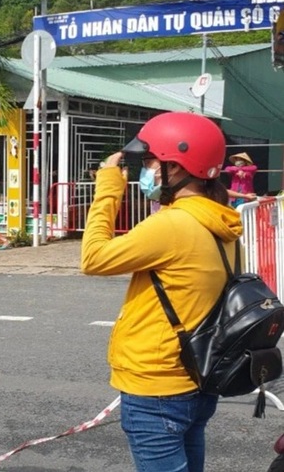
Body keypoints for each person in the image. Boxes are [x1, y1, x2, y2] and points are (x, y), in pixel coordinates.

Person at [81, 112, 242, 472]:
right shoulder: (218, 221)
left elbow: (92, 258)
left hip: (157, 386)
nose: (147, 169)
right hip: (197, 378)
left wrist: (108, 186)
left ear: (179, 166)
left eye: (151, 161)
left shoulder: (172, 224)